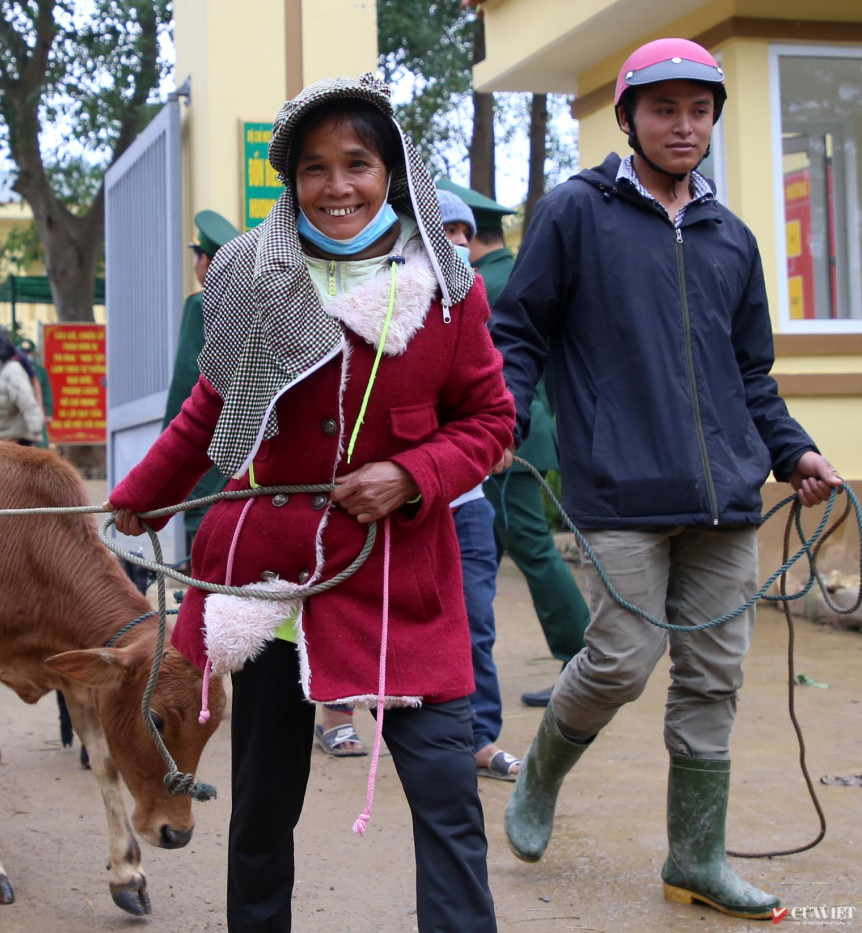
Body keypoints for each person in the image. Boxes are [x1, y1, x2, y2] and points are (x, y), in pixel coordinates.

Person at [107, 73, 512, 932]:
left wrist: (413, 474)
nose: (337, 187)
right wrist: (140, 500)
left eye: (357, 163)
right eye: (314, 168)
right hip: (274, 588)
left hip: (407, 579)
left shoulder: (448, 288)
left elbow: (489, 421)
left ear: (392, 171)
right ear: (289, 181)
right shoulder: (256, 278)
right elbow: (212, 409)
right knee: (261, 807)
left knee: (447, 798)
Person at [491, 39, 841, 921]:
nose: (683, 126)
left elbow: (752, 372)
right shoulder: (575, 212)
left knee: (714, 676)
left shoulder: (732, 237)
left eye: (699, 110)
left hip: (726, 495)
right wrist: (499, 420)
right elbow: (520, 331)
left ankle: (696, 859)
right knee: (618, 660)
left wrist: (793, 449)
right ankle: (539, 774)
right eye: (664, 109)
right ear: (628, 117)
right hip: (619, 485)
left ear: (714, 118)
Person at [446, 183, 591, 709]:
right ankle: (467, 682)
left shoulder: (489, 283)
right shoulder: (505, 273)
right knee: (485, 560)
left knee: (534, 550)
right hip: (514, 439)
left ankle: (581, 662)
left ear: (468, 236)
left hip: (504, 444)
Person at [435, 187, 518, 781]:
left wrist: (497, 438)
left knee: (476, 618)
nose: (461, 245)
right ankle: (339, 711)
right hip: (405, 506)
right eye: (448, 234)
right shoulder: (388, 313)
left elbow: (492, 402)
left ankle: (479, 737)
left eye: (467, 235)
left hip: (467, 504)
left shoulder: (475, 314)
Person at [166, 210, 240, 557]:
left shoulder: (201, 304)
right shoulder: (251, 304)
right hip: (249, 438)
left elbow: (187, 378)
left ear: (207, 262)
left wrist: (171, 435)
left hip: (209, 436)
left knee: (202, 517)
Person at [0, 329, 43, 446]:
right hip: (5, 437)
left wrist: (35, 428)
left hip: (17, 440)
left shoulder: (12, 372)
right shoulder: (0, 371)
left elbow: (27, 401)